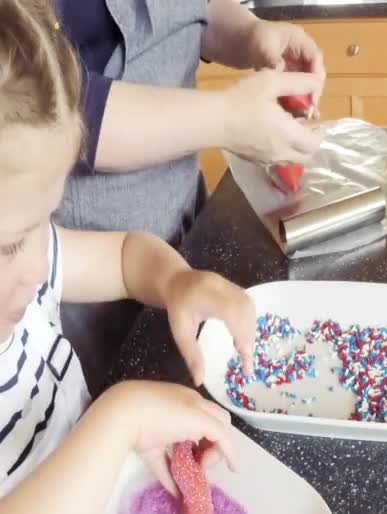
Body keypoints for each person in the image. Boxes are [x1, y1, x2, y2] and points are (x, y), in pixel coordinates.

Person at [0, 1, 254, 510]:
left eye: (44, 222)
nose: (37, 268)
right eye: (7, 245)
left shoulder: (30, 260)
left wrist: (176, 282)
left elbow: (122, 256)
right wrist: (120, 421)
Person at [52, 0, 326, 395]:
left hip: (185, 226)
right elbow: (56, 113)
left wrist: (251, 35)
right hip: (90, 277)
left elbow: (192, 11)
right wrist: (226, 119)